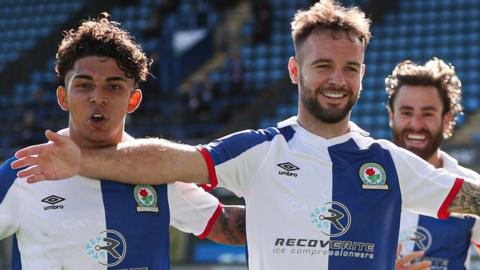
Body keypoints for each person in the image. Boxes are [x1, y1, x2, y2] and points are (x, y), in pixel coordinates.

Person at [11, 1, 480, 269]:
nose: (336, 79)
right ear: (295, 71)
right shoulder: (257, 150)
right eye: (322, 66)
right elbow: (174, 161)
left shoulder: (389, 162)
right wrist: (80, 163)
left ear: (361, 75)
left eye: (349, 68)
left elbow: (472, 199)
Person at [1, 14, 245, 269]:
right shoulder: (24, 172)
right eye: (84, 85)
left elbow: (224, 224)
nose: (98, 97)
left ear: (133, 100)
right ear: (63, 97)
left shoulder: (155, 171)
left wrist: (286, 211)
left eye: (114, 87)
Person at [386, 58, 480, 270]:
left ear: (447, 120)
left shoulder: (472, 187)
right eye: (406, 112)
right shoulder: (362, 181)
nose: (416, 124)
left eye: (427, 114)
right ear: (391, 116)